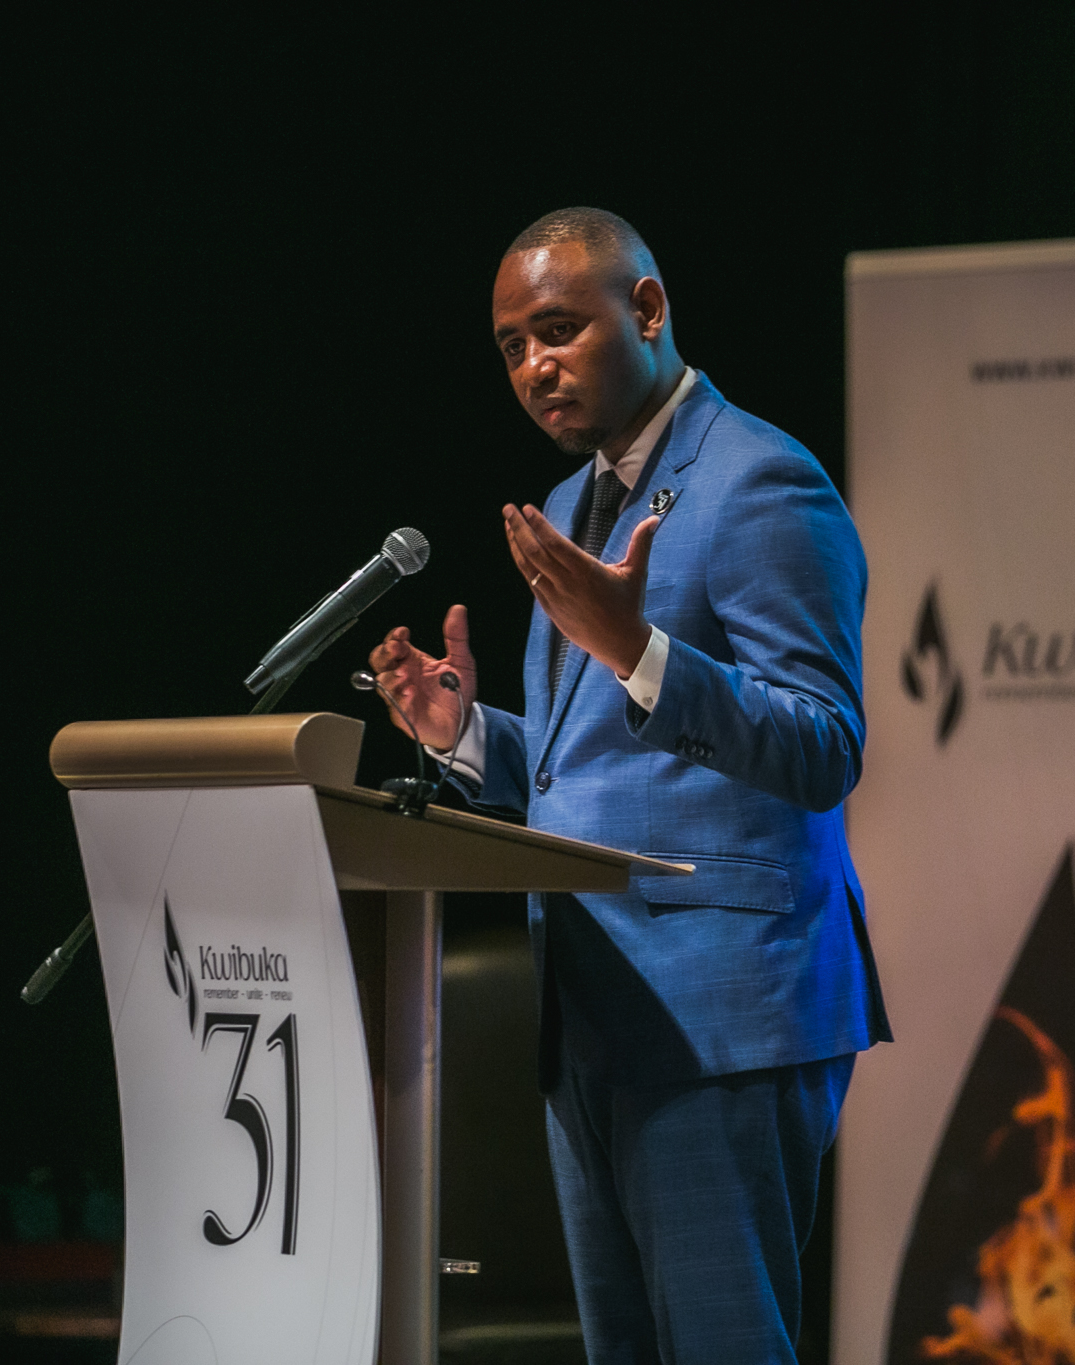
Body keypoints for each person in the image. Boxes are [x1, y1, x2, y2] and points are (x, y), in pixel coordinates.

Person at [368, 207, 889, 1363]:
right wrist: (466, 736)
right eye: (511, 346)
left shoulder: (760, 480)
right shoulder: (567, 510)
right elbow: (588, 767)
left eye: (558, 329)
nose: (533, 366)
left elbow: (822, 746)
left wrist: (639, 651)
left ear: (645, 310)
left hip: (721, 1016)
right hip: (594, 1010)